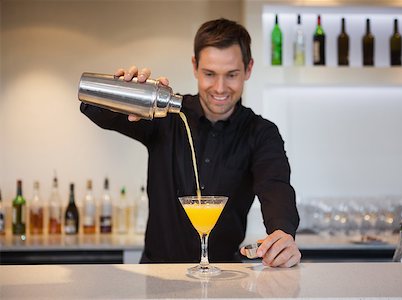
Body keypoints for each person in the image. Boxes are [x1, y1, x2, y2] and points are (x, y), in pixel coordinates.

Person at [80, 18, 301, 267]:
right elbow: (96, 110)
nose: (219, 88)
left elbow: (276, 186)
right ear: (195, 67)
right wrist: (122, 90)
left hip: (224, 276)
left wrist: (283, 232)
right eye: (209, 74)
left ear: (248, 69)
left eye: (231, 75)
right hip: (158, 276)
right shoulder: (164, 115)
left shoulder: (261, 133)